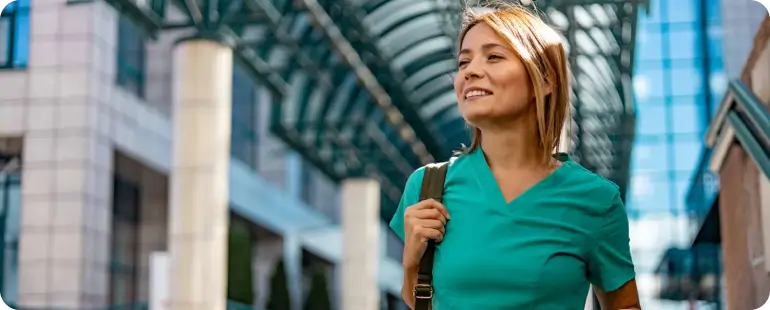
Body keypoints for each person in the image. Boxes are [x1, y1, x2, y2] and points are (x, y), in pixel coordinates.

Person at [389, 4, 641, 310]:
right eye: (463, 61)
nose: (470, 71)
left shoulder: (596, 200)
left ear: (545, 79)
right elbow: (421, 299)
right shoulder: (428, 187)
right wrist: (411, 264)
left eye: (494, 57)